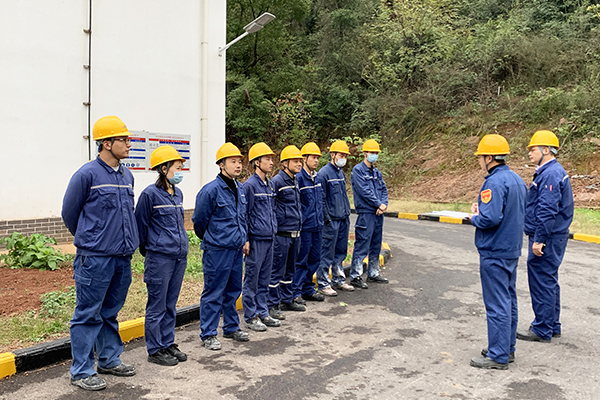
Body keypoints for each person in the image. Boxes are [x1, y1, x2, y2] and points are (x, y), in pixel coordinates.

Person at [62, 115, 139, 391]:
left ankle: (108, 359)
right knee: (88, 313)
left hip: (122, 257)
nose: (128, 144)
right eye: (123, 140)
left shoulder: (127, 175)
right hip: (95, 258)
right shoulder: (87, 175)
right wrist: (91, 239)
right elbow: (70, 213)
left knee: (110, 311)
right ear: (106, 143)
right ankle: (82, 370)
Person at [466, 134, 527, 370]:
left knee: (497, 303)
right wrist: (482, 209)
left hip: (495, 250)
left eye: (481, 157)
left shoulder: (493, 182)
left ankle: (498, 354)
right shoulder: (517, 180)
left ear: (489, 158)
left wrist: (474, 217)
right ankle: (506, 347)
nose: (479, 161)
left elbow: (490, 219)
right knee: (508, 299)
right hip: (511, 248)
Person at [517, 130, 573, 343]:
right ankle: (552, 324)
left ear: (546, 150)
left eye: (533, 149)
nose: (529, 153)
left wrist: (539, 239)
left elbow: (547, 209)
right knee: (549, 279)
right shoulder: (552, 171)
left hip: (547, 237)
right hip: (553, 235)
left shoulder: (550, 174)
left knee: (541, 280)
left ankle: (542, 328)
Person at [192, 143, 249, 350]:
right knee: (214, 291)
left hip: (236, 249)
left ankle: (231, 327)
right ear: (221, 164)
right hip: (217, 250)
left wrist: (244, 238)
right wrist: (213, 238)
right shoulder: (210, 190)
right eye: (233, 161)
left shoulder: (240, 189)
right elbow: (199, 221)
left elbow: (243, 218)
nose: (238, 165)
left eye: (239, 161)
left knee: (233, 290)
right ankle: (208, 333)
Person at [135, 146, 188, 366]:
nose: (180, 171)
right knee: (157, 305)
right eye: (177, 167)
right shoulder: (149, 194)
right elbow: (140, 225)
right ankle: (155, 349)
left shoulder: (178, 193)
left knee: (170, 304)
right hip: (159, 258)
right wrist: (151, 250)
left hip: (179, 257)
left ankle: (167, 342)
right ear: (163, 169)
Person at [242, 143, 281, 331]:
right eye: (267, 159)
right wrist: (246, 239)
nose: (271, 162)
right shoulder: (249, 186)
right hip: (256, 239)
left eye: (272, 159)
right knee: (252, 279)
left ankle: (263, 312)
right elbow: (244, 214)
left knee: (265, 278)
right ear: (256, 162)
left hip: (269, 237)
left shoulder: (270, 184)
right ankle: (251, 316)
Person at [268, 145, 306, 318]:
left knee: (290, 270)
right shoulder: (277, 182)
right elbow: (271, 207)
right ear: (285, 163)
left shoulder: (295, 180)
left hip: (295, 233)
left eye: (300, 161)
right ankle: (272, 304)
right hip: (281, 235)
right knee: (276, 271)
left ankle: (287, 299)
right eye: (295, 161)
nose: (299, 164)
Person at [316, 140, 355, 296]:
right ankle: (323, 283)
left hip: (343, 218)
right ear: (332, 155)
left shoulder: (340, 172)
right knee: (326, 252)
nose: (343, 158)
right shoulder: (323, 174)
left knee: (340, 251)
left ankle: (338, 280)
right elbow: (321, 199)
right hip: (331, 221)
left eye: (345, 156)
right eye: (341, 155)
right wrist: (327, 219)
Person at [349, 139, 389, 288]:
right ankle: (356, 275)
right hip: (366, 212)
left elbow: (383, 190)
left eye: (376, 153)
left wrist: (383, 205)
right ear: (365, 153)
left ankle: (373, 273)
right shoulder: (358, 171)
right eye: (372, 152)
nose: (374, 155)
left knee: (376, 244)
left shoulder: (376, 172)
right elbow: (364, 191)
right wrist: (378, 204)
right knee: (362, 244)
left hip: (378, 213)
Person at [292, 142, 326, 304]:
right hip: (305, 227)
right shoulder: (299, 178)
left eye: (318, 158)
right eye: (313, 157)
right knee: (301, 260)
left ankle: (308, 289)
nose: (316, 160)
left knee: (315, 259)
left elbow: (321, 200)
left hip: (317, 226)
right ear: (304, 159)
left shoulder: (317, 177)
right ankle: (296, 291)